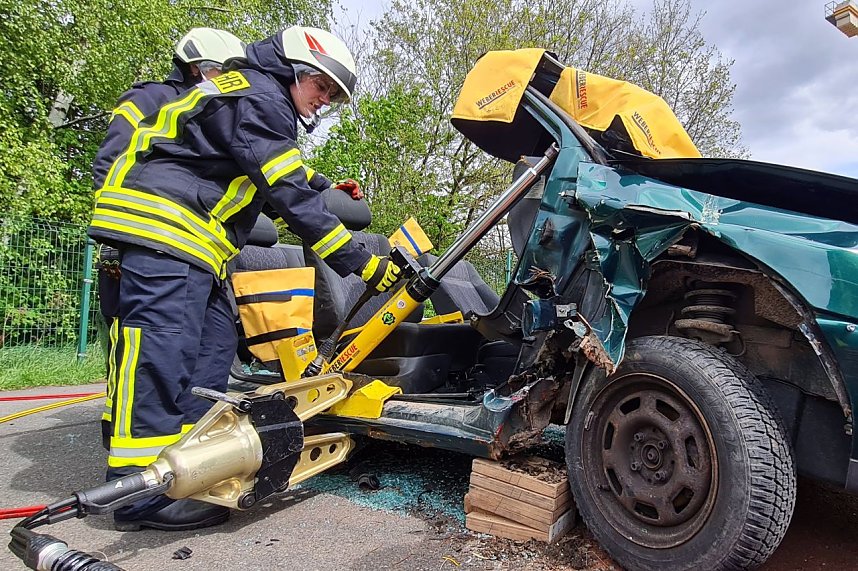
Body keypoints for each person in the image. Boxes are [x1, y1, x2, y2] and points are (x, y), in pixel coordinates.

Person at [87, 25, 400, 532]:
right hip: (164, 234)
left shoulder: (255, 100)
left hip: (196, 247)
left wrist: (323, 182)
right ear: (298, 70)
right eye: (322, 88)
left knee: (210, 354)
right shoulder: (260, 95)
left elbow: (261, 158)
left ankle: (187, 472)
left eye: (332, 97)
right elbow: (286, 192)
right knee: (162, 361)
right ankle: (139, 495)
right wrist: (359, 260)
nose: (323, 102)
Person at [93, 27, 247, 452]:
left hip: (197, 253)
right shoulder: (152, 100)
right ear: (198, 67)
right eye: (223, 73)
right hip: (147, 242)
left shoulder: (214, 116)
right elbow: (113, 164)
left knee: (208, 345)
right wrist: (122, 240)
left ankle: (188, 452)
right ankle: (128, 450)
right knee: (147, 349)